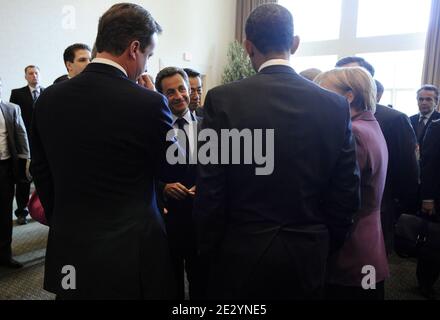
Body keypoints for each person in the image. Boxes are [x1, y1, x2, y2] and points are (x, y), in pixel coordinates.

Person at [193, 4, 360, 300]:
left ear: (247, 47)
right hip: (308, 250)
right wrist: (324, 242)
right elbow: (346, 191)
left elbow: (211, 189)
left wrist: (208, 249)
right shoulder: (335, 106)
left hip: (239, 251)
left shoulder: (222, 100)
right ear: (295, 43)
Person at [31, 3, 177, 300]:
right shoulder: (148, 103)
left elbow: (41, 171)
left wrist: (64, 221)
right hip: (133, 254)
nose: (147, 66)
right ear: (134, 48)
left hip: (71, 248)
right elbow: (171, 169)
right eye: (148, 55)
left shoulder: (47, 100)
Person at [315, 67, 389, 300]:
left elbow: (341, 197)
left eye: (323, 93)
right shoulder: (370, 124)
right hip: (368, 240)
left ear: (348, 96)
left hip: (351, 248)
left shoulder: (354, 132)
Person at [336, 56, 419, 255]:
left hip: (378, 208)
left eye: (351, 74)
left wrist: (397, 207)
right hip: (341, 209)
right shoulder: (333, 113)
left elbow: (407, 170)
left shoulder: (394, 119)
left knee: (369, 270)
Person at [155, 66, 204, 299]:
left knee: (201, 280)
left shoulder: (208, 125)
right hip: (167, 218)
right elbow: (141, 171)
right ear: (162, 97)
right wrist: (163, 187)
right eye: (170, 92)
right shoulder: (153, 129)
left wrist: (205, 185)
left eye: (182, 89)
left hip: (200, 218)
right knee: (169, 282)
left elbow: (219, 168)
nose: (178, 96)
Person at [0, 77, 30, 269]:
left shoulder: (11, 109)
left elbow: (22, 136)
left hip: (4, 168)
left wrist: (26, 162)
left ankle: (4, 256)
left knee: (4, 213)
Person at [9, 65, 44, 225]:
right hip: (25, 146)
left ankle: (42, 209)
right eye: (30, 73)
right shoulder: (17, 94)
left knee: (43, 179)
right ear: (26, 77)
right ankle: (21, 212)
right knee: (23, 182)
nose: (34, 76)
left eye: (36, 73)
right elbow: (13, 122)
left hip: (43, 144)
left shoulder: (47, 92)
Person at [417, 118, 440, 299]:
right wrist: (428, 198)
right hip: (437, 196)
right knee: (433, 243)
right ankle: (425, 283)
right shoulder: (437, 126)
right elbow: (428, 165)